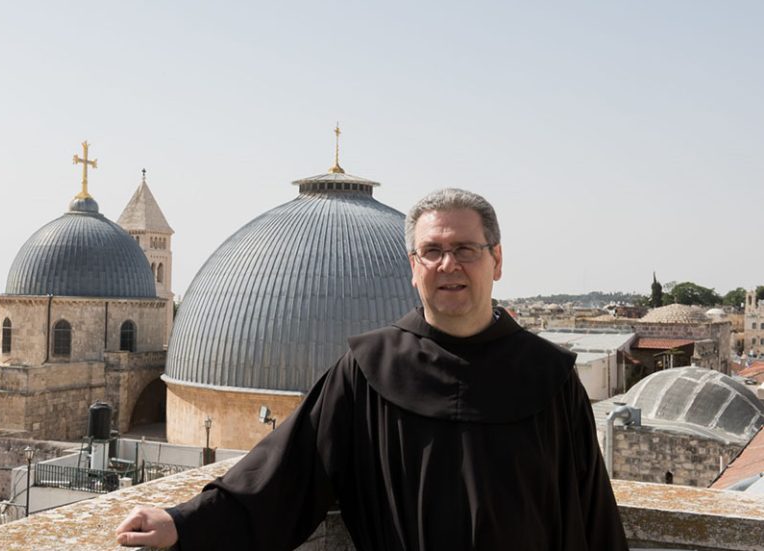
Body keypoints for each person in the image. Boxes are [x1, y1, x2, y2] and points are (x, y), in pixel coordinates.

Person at [116, 188, 628, 550]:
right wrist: (186, 522)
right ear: (412, 267)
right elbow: (287, 472)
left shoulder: (549, 375)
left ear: (496, 260)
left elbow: (588, 508)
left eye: (465, 250)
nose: (448, 264)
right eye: (432, 251)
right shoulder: (369, 368)